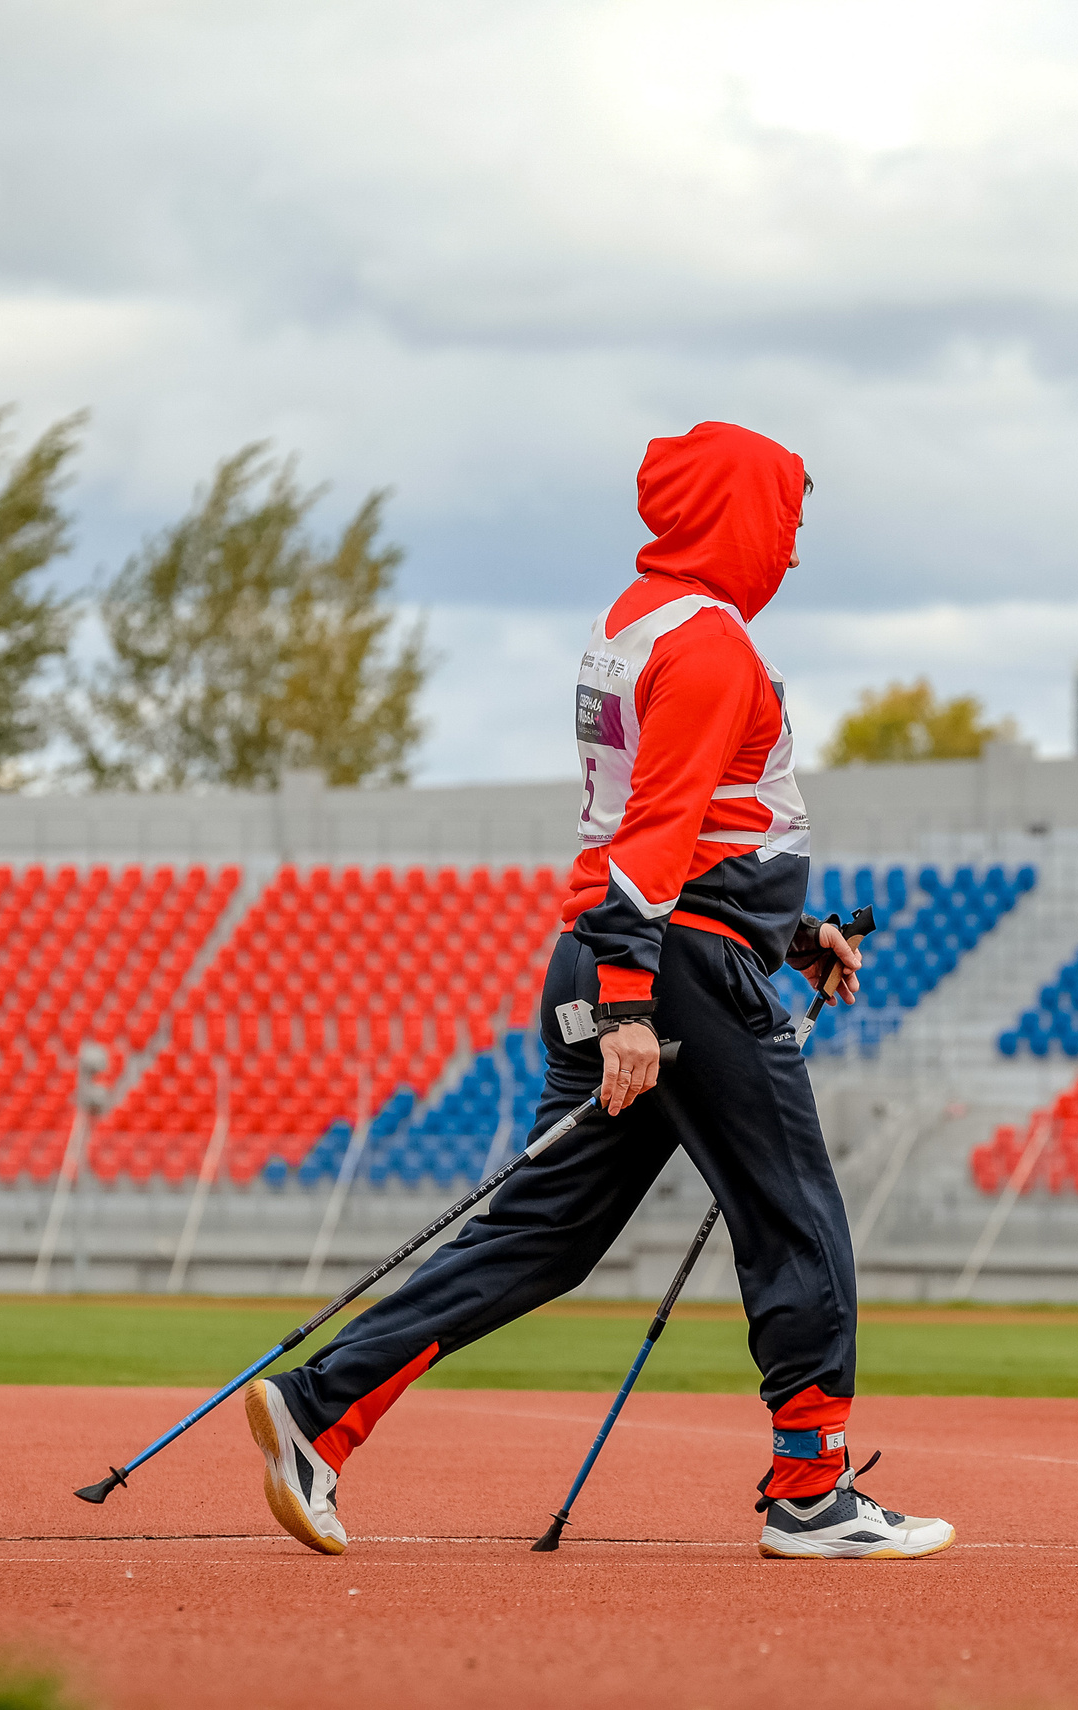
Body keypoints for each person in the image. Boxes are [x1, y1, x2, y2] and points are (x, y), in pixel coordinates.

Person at [239, 421, 954, 1561]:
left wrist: (789, 931)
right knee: (795, 1216)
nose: (796, 552)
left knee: (544, 1237)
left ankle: (321, 1411)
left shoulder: (632, 623)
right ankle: (812, 1492)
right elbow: (657, 832)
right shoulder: (712, 644)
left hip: (616, 953)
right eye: (790, 523)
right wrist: (634, 1004)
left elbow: (683, 828)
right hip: (668, 973)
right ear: (740, 513)